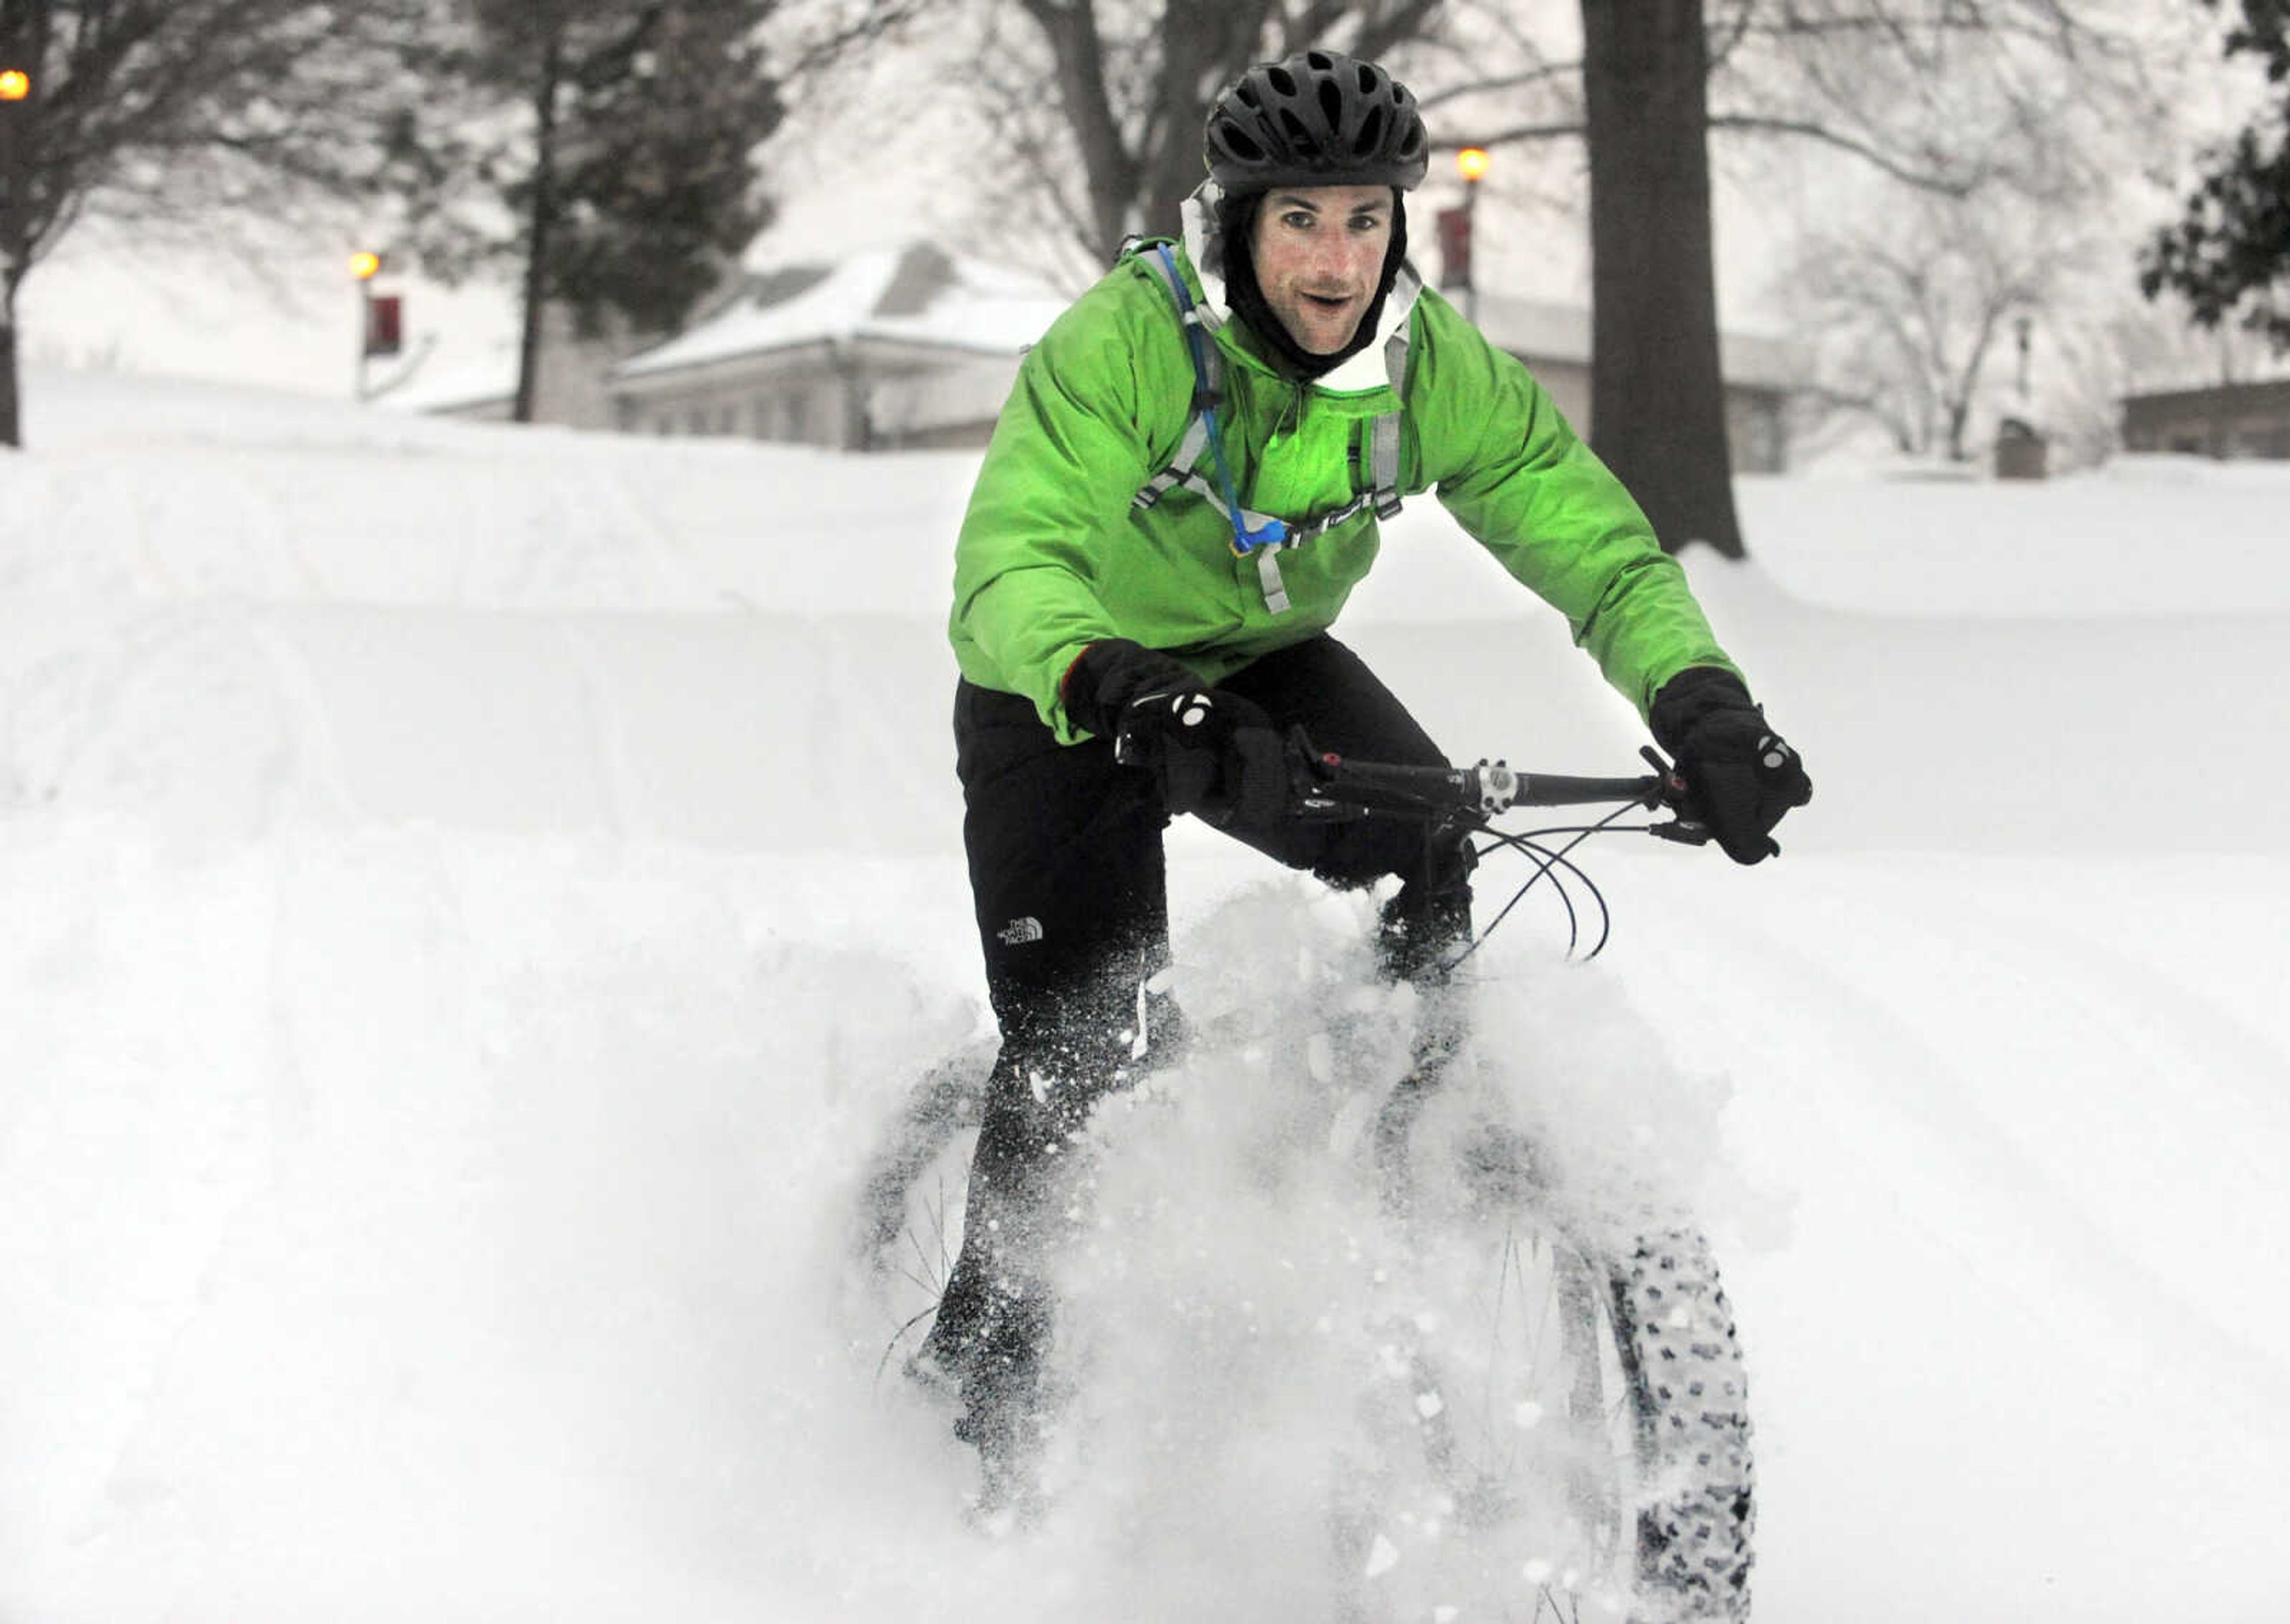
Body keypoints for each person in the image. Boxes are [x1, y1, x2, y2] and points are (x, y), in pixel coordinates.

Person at [920, 47, 1811, 1502]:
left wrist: (1702, 703)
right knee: (1087, 1049)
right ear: (1237, 225)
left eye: (1363, 218)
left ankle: (1388, 1148)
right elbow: (1011, 562)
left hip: (1264, 662)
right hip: (1070, 689)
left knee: (1433, 837)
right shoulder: (1134, 342)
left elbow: (1585, 536)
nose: (1336, 258)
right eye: (1300, 221)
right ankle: (981, 1392)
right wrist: (1118, 682)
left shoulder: (1423, 364)